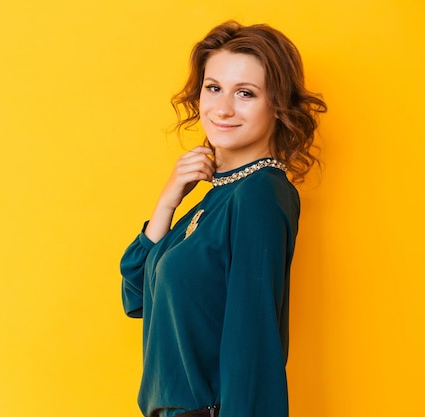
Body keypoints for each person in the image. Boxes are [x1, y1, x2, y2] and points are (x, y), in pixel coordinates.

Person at [120, 21, 327, 417]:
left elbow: (254, 343)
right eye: (213, 87)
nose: (223, 108)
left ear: (277, 106)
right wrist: (167, 202)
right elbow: (137, 295)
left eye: (245, 93)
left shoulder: (260, 195)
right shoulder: (213, 199)